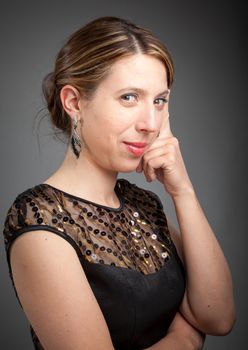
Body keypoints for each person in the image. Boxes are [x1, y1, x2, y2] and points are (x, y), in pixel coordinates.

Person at [2, 16, 235, 350]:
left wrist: (183, 191)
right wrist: (185, 339)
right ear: (74, 102)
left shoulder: (143, 205)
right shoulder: (40, 221)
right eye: (129, 97)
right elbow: (199, 326)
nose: (150, 123)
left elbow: (218, 317)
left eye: (159, 100)